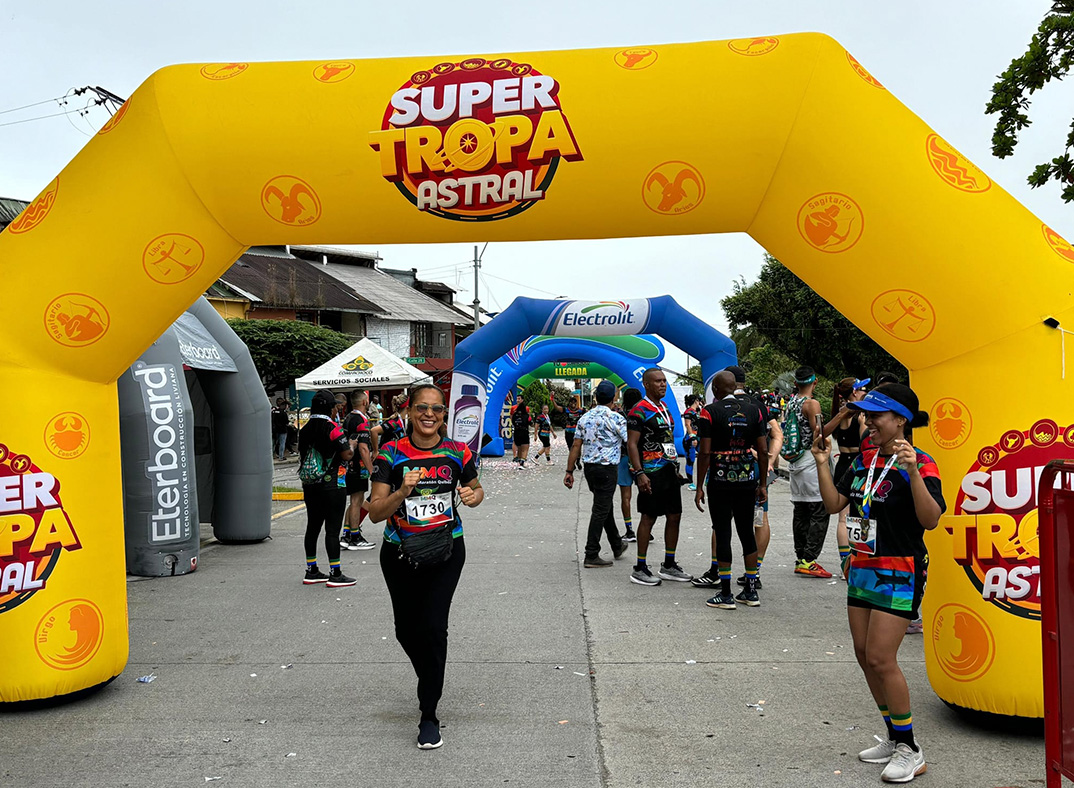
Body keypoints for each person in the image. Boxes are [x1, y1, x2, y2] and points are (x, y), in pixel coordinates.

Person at [811, 383, 944, 784]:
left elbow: (931, 519)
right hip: (863, 567)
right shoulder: (865, 462)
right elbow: (837, 504)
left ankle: (910, 749)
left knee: (883, 659)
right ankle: (893, 735)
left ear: (900, 420)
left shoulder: (921, 461)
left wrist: (913, 473)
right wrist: (821, 461)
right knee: (864, 655)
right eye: (867, 416)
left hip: (899, 570)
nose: (868, 423)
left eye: (876, 416)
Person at [368, 383, 484, 751]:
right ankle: (430, 674)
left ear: (443, 415)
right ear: (409, 412)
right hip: (399, 553)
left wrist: (472, 496)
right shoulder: (390, 454)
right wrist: (402, 492)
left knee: (434, 628)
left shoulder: (457, 452)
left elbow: (476, 489)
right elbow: (374, 513)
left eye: (436, 409)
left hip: (447, 550)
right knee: (406, 631)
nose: (429, 415)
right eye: (422, 408)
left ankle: (428, 713)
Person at [692, 371, 768, 608]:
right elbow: (763, 451)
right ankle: (750, 590)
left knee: (723, 530)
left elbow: (705, 452)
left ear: (715, 390)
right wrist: (762, 483)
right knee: (746, 532)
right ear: (734, 387)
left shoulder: (709, 412)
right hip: (747, 478)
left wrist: (700, 485)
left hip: (720, 480)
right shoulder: (754, 411)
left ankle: (725, 594)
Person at [626, 368, 691, 586]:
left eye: (664, 381)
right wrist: (640, 472)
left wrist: (676, 467)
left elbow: (669, 440)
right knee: (649, 517)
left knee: (675, 515)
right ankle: (640, 568)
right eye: (658, 381)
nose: (663, 384)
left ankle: (669, 565)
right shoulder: (639, 410)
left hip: (669, 471)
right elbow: (632, 444)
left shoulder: (664, 408)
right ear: (646, 384)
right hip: (650, 472)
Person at [564, 380, 630, 567]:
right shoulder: (617, 419)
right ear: (614, 397)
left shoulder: (584, 418)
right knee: (600, 509)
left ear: (595, 397)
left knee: (604, 504)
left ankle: (617, 544)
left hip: (590, 468)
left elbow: (576, 445)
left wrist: (569, 470)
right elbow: (629, 442)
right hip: (608, 468)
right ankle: (591, 553)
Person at [298, 389, 356, 588]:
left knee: (312, 526)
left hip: (310, 484)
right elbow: (347, 454)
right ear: (331, 409)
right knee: (332, 530)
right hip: (333, 484)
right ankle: (335, 572)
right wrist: (352, 445)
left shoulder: (304, 429)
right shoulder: (332, 428)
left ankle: (311, 569)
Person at [783, 366, 833, 578]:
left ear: (796, 383)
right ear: (815, 382)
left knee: (801, 510)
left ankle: (800, 556)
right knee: (820, 508)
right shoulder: (812, 404)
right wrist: (840, 417)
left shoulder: (792, 402)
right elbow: (819, 434)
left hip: (795, 462)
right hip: (810, 460)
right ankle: (809, 559)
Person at [823, 378, 870, 577]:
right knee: (859, 514)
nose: (865, 393)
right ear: (854, 392)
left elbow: (824, 432)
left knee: (843, 519)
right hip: (857, 465)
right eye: (862, 390)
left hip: (842, 463)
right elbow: (865, 444)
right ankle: (856, 560)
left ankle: (845, 563)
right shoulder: (861, 414)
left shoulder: (842, 413)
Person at [340, 390, 376, 551]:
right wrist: (370, 470)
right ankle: (355, 536)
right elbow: (363, 448)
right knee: (357, 501)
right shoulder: (361, 421)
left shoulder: (348, 418)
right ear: (364, 402)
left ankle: (347, 534)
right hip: (358, 466)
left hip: (348, 465)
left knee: (353, 500)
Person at [618, 388, 643, 542]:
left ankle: (629, 530)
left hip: (623, 458)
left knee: (625, 496)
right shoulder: (643, 414)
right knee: (644, 492)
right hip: (641, 458)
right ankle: (645, 527)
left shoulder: (620, 416)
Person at [511, 401, 531, 468]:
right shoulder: (526, 416)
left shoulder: (514, 415)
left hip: (517, 432)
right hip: (524, 432)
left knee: (519, 447)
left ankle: (519, 461)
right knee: (525, 448)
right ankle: (522, 462)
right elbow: (530, 422)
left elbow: (513, 422)